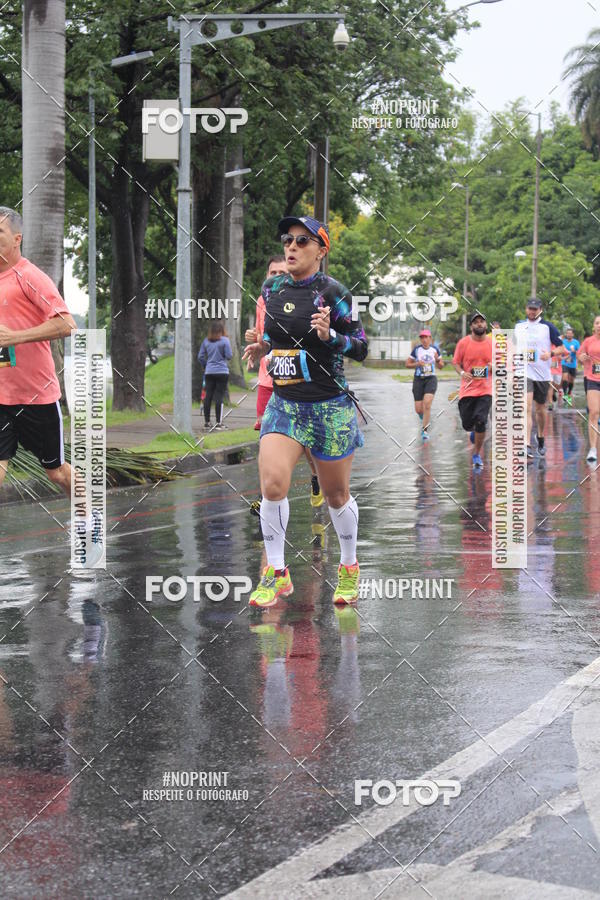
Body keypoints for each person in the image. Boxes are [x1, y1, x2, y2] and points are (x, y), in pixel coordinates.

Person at [243, 215, 368, 607]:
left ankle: (348, 567)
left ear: (321, 250)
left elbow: (361, 346)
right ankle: (276, 572)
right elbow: (274, 333)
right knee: (273, 485)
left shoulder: (333, 292)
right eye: (288, 240)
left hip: (328, 406)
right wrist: (262, 346)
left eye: (302, 241)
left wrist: (330, 336)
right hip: (286, 404)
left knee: (335, 495)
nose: (292, 247)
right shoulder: (272, 287)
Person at [0, 208, 99, 539]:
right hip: (1, 398)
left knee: (56, 473)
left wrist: (16, 337)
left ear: (17, 239)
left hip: (36, 397)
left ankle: (87, 517)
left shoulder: (30, 277)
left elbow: (66, 324)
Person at [245, 256, 324, 510]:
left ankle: (316, 477)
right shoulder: (261, 301)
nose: (276, 276)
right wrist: (256, 342)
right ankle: (266, 494)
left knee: (307, 442)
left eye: (281, 271)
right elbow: (264, 337)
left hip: (298, 382)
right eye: (272, 272)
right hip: (268, 380)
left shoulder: (301, 297)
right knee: (266, 438)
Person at [514, 298, 564, 460]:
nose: (532, 311)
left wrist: (550, 354)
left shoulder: (548, 327)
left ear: (540, 310)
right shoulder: (519, 326)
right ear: (525, 308)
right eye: (530, 308)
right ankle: (526, 445)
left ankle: (540, 436)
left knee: (540, 410)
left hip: (542, 375)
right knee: (525, 407)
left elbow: (562, 348)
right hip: (523, 372)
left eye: (535, 309)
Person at [452, 312, 493, 468]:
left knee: (481, 421)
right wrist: (463, 373)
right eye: (476, 322)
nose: (479, 324)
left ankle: (476, 454)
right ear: (471, 326)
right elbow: (455, 362)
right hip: (467, 391)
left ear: (485, 325)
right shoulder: (463, 343)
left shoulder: (491, 344)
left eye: (482, 322)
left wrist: (493, 367)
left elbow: (501, 364)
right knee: (468, 424)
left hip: (485, 389)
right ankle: (474, 433)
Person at [405, 328, 443, 441]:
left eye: (426, 337)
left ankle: (425, 430)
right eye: (422, 337)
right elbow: (407, 364)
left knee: (427, 404)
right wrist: (417, 364)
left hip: (431, 379)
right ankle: (424, 417)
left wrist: (437, 360)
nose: (424, 340)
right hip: (418, 380)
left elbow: (441, 366)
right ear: (420, 339)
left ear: (430, 338)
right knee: (418, 409)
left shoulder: (435, 349)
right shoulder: (416, 350)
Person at [198, 321, 232, 429]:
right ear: (221, 331)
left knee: (208, 396)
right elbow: (229, 355)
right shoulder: (225, 341)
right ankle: (218, 422)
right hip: (222, 371)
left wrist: (206, 365)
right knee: (219, 396)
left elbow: (200, 357)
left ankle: (207, 422)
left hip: (209, 372)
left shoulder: (206, 342)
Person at [577, 316, 600, 462]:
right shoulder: (588, 341)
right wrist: (582, 357)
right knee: (594, 413)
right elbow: (579, 354)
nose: (599, 325)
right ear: (594, 326)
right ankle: (593, 449)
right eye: (597, 323)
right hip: (593, 379)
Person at [561, 326, 579, 407]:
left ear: (573, 334)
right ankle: (565, 394)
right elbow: (559, 350)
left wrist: (574, 351)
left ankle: (569, 393)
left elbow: (579, 353)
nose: (569, 334)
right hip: (564, 362)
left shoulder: (576, 342)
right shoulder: (563, 342)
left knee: (571, 380)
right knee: (564, 377)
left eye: (570, 333)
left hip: (573, 364)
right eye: (567, 333)